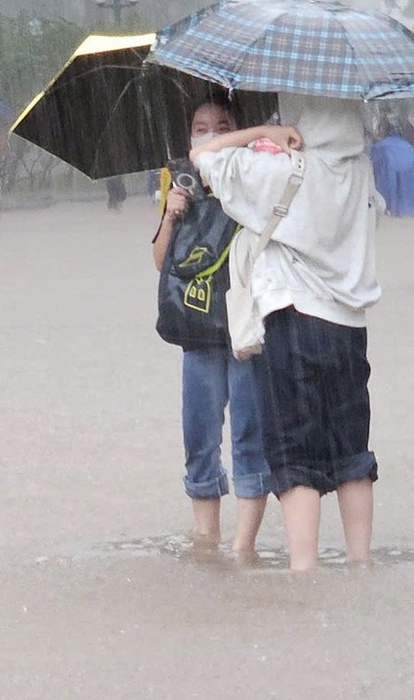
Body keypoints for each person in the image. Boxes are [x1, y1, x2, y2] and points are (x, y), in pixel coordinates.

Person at [193, 94, 380, 572]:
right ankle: (361, 564)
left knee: (295, 453)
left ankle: (304, 572)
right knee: (352, 451)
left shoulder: (282, 168)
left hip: (293, 319)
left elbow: (204, 155)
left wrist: (261, 132)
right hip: (350, 327)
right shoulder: (361, 171)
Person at [154, 98, 270, 555]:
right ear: (188, 136)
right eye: (201, 127)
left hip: (245, 330)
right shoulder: (178, 180)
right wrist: (171, 212)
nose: (212, 134)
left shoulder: (256, 176)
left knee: (249, 432)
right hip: (196, 329)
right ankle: (206, 539)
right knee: (199, 433)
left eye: (223, 126)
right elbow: (160, 261)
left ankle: (244, 547)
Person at [369, 126, 414, 216]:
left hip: (387, 184)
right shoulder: (408, 146)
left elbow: (372, 166)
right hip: (409, 190)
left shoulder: (380, 146)